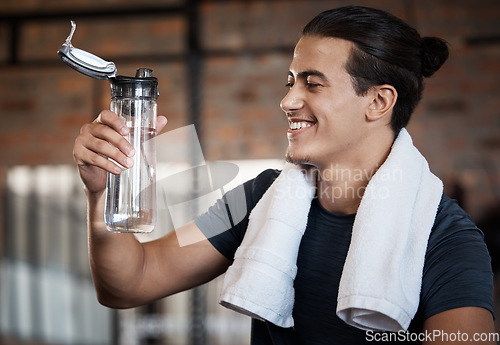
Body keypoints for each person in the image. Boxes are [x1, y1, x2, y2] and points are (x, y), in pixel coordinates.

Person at [73, 6, 496, 344]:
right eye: (291, 81)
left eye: (313, 84)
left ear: (379, 102)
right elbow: (130, 282)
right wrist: (101, 193)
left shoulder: (447, 240)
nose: (287, 99)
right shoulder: (258, 198)